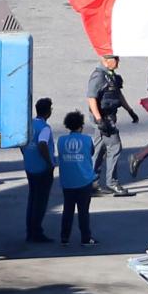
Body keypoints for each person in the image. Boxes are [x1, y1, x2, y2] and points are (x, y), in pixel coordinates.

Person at [86, 54, 139, 197]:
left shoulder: (111, 76)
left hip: (108, 116)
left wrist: (130, 111)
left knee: (99, 150)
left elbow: (118, 94)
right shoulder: (98, 76)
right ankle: (112, 183)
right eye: (115, 59)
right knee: (115, 147)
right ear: (105, 60)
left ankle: (91, 183)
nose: (118, 62)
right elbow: (91, 98)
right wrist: (99, 120)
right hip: (104, 118)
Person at [57, 110, 98, 246]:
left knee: (67, 210)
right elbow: (91, 152)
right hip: (84, 180)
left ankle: (64, 237)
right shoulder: (87, 139)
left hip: (67, 181)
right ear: (81, 126)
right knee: (83, 212)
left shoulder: (61, 141)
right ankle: (86, 238)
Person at [23, 97, 55, 243]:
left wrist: (26, 154)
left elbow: (21, 142)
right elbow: (42, 145)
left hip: (30, 167)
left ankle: (30, 230)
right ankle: (36, 232)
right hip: (42, 169)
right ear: (48, 112)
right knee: (40, 202)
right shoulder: (45, 128)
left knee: (32, 199)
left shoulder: (29, 124)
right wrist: (49, 162)